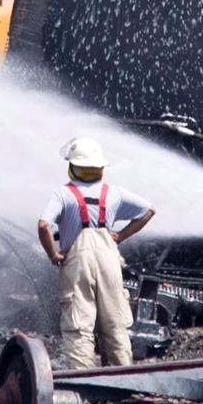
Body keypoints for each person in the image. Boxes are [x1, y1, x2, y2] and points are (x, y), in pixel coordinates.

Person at [37, 136, 155, 369]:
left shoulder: (62, 194)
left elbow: (43, 225)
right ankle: (123, 379)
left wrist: (53, 254)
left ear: (72, 167)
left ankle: (84, 384)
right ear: (100, 168)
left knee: (79, 326)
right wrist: (120, 236)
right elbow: (149, 210)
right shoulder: (115, 193)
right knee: (114, 324)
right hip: (109, 260)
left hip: (77, 261)